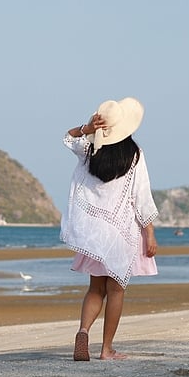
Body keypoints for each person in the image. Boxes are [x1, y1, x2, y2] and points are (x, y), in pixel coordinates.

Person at [60, 97, 159, 361]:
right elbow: (141, 196)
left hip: (94, 233)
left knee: (95, 289)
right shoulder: (134, 154)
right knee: (116, 290)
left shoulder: (91, 150)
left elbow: (67, 138)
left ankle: (83, 331)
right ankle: (106, 350)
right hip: (120, 231)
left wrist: (87, 129)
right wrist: (149, 233)